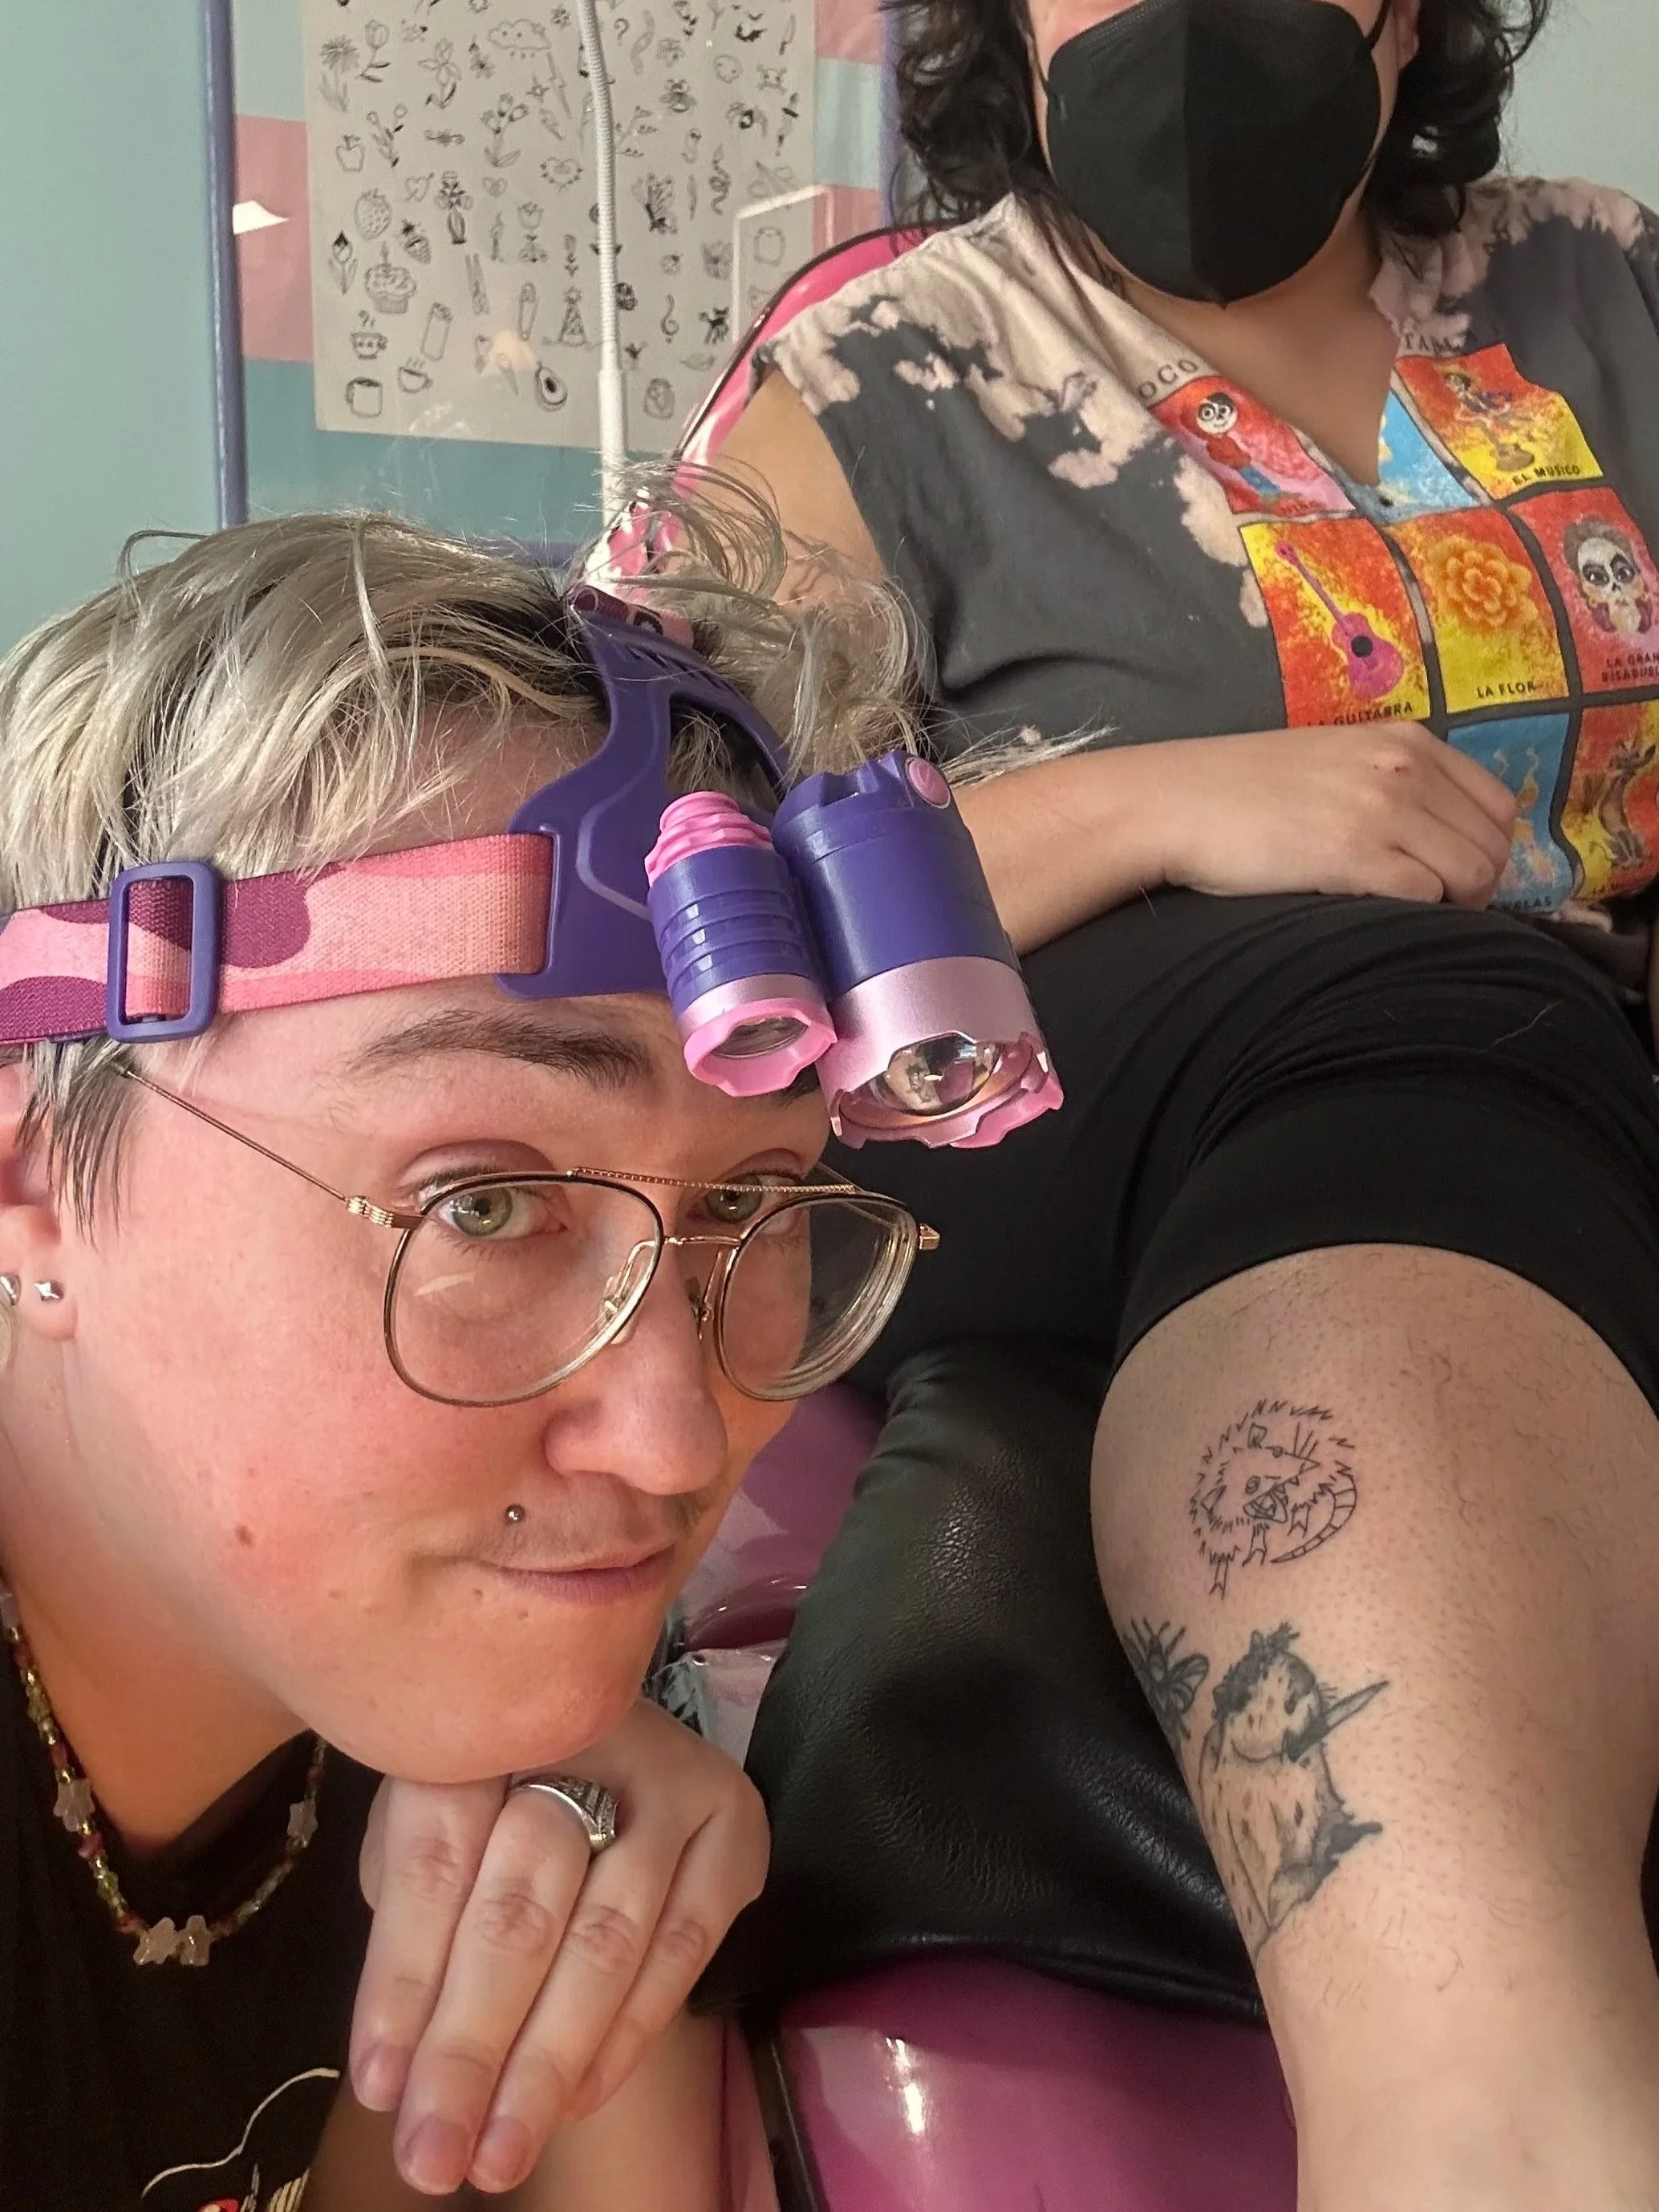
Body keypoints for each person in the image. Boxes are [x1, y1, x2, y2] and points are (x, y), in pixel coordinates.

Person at [704, 0, 1659, 2202]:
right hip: (1098, 1082)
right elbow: (688, 897)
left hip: (1580, 1077)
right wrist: (1156, 805)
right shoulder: (874, 384)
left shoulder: (1597, 291)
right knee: (1412, 998)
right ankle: (1480, 2114)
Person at [0, 507, 936, 2210]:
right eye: (485, 1203)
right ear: (35, 1176)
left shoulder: (458, 1774)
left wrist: (593, 1995)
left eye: (753, 1204)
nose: (672, 1441)